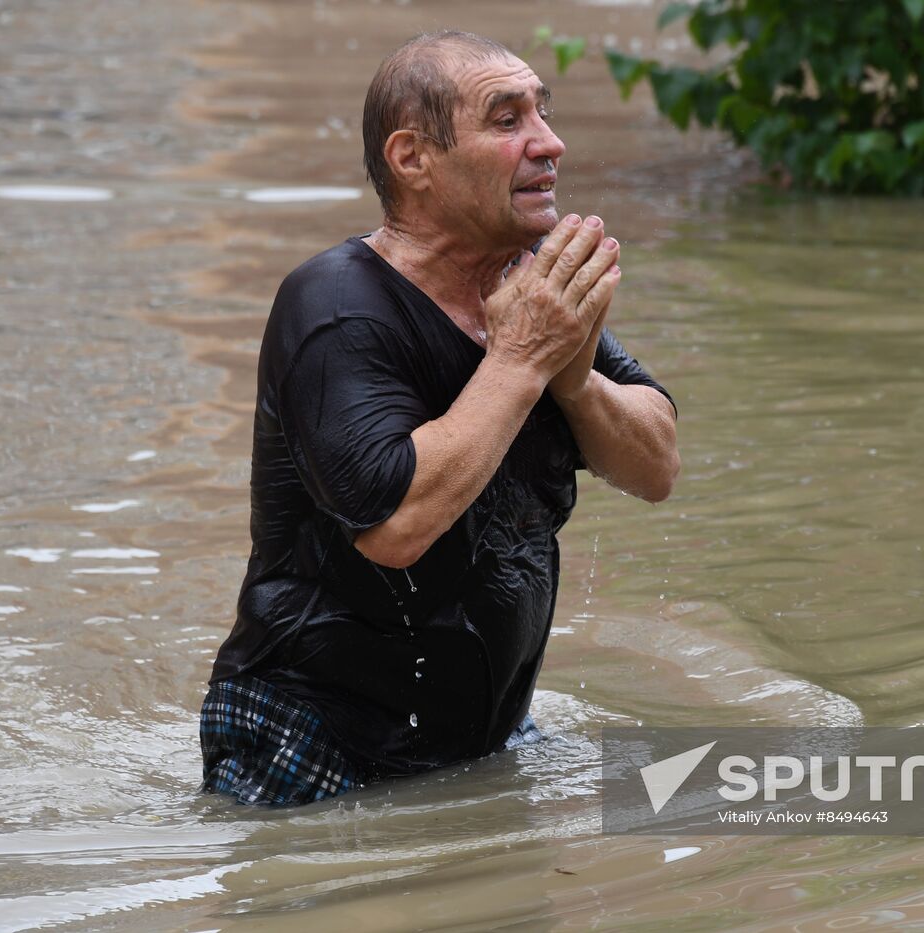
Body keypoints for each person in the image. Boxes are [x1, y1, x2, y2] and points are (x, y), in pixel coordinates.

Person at [199, 30, 679, 806]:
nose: (550, 143)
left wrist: (573, 377)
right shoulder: (333, 309)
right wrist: (521, 362)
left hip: (488, 739)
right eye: (506, 119)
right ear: (413, 158)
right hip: (311, 742)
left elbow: (656, 467)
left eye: (543, 114)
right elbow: (395, 525)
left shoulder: (530, 292)